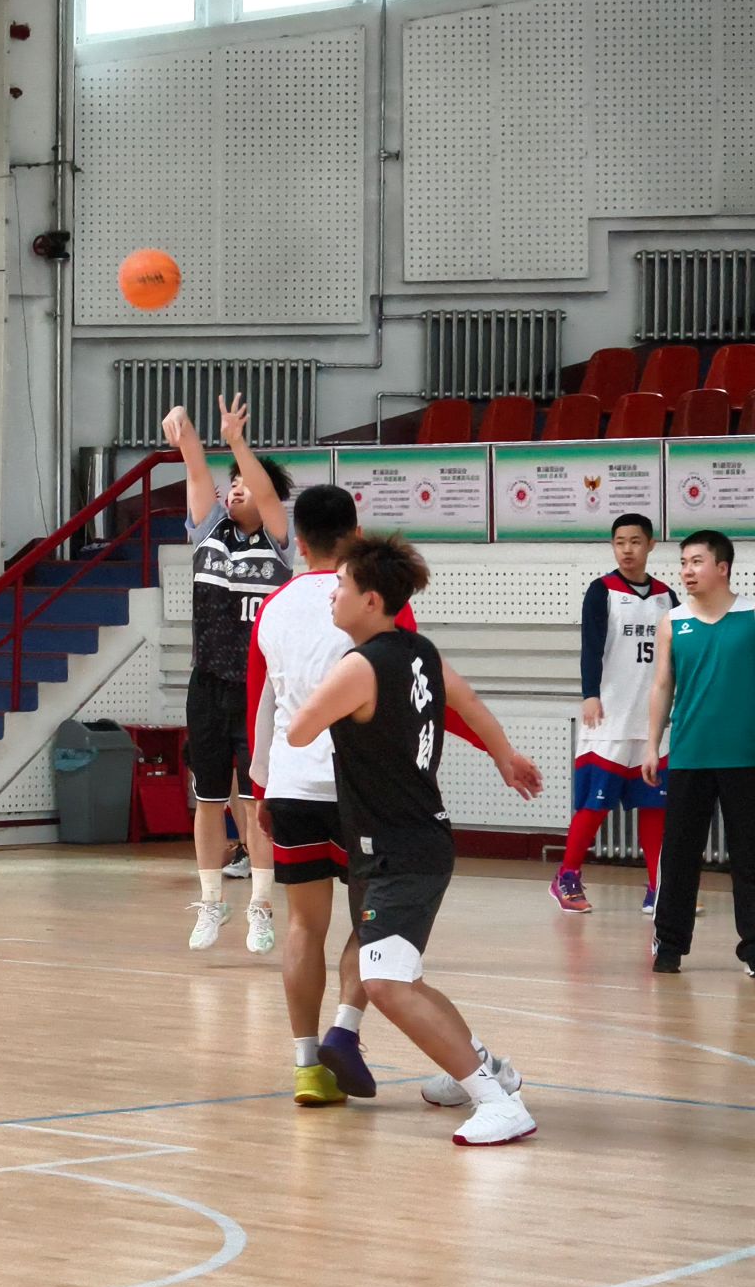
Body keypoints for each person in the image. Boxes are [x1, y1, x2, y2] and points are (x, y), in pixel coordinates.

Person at [287, 534, 544, 1146]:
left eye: (341, 586)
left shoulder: (360, 667)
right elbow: (468, 700)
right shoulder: (420, 651)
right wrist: (504, 755)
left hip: (400, 850)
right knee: (400, 974)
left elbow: (297, 731)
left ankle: (496, 1102)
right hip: (416, 841)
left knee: (384, 981)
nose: (332, 595)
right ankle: (486, 1070)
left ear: (371, 600)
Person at [247, 485, 376, 1108]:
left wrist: (261, 787)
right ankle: (344, 1032)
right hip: (358, 786)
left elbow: (262, 705)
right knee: (374, 919)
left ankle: (306, 1066)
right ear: (357, 535)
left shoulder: (272, 607)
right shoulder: (372, 601)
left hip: (292, 783)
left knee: (303, 925)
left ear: (298, 542)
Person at [163, 395, 295, 955]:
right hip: (208, 683)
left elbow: (265, 493)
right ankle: (212, 901)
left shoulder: (280, 541)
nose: (236, 488)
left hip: (259, 691)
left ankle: (261, 906)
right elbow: (196, 469)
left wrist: (238, 442)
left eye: (245, 483)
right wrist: (186, 429)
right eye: (233, 482)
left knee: (257, 804)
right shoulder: (209, 532)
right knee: (210, 799)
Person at [551, 514, 679, 914]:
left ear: (651, 545)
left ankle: (658, 886)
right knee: (595, 804)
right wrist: (590, 694)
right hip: (609, 716)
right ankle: (567, 876)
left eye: (635, 541)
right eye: (620, 542)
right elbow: (590, 647)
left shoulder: (667, 597)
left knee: (655, 805)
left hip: (653, 720)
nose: (627, 549)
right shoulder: (601, 591)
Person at [643, 531, 755, 977]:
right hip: (690, 756)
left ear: (722, 568)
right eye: (683, 563)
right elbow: (661, 686)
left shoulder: (752, 616)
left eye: (696, 562)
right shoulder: (673, 621)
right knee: (679, 857)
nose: (686, 571)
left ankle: (753, 950)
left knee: (749, 858)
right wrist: (652, 745)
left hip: (745, 757)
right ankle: (669, 945)